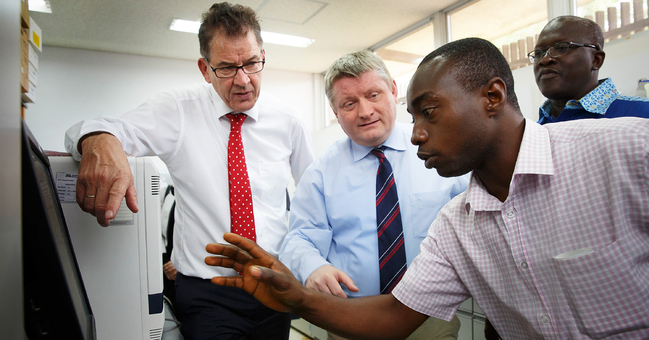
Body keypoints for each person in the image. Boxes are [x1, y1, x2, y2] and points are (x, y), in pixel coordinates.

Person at [205, 37, 649, 339]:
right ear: (335, 112)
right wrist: (301, 294)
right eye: (348, 103)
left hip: (435, 321)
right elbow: (393, 312)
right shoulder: (456, 223)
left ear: (491, 98)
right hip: (359, 312)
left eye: (428, 112)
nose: (417, 135)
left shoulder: (626, 148)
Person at [64, 3, 315, 340]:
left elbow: (313, 198)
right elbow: (99, 128)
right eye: (226, 67)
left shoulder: (288, 121)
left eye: (252, 64)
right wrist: (98, 140)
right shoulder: (178, 111)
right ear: (204, 68)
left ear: (262, 56)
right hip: (207, 293)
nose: (243, 80)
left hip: (274, 282)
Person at [279, 51, 468, 340]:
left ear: (393, 91)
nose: (365, 111)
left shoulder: (440, 151)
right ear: (335, 111)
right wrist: (314, 267)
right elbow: (300, 237)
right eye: (349, 103)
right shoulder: (321, 173)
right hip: (351, 320)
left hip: (428, 318)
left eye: (373, 95)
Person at [531, 15, 649, 124]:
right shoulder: (533, 132)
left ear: (596, 59)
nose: (545, 60)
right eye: (538, 53)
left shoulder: (643, 115)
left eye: (561, 48)